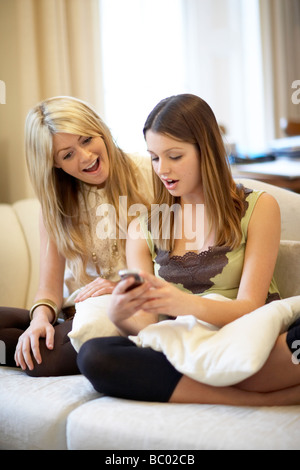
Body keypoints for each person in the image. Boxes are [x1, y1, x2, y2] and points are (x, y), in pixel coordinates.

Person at [77, 94, 300, 406]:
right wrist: (119, 313)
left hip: (254, 341)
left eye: (174, 156)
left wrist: (184, 303)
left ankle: (237, 382)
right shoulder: (143, 229)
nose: (163, 169)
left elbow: (250, 306)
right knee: (95, 356)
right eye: (154, 157)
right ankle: (252, 397)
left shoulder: (259, 207)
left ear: (205, 151)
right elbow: (146, 326)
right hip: (189, 350)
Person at [0, 96, 152, 377]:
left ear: (100, 129)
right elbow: (49, 290)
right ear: (54, 164)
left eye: (86, 139)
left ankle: (49, 344)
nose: (85, 157)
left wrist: (120, 285)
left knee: (44, 360)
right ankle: (48, 336)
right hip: (72, 313)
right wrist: (38, 321)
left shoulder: (150, 174)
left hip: (123, 308)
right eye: (67, 154)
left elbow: (179, 264)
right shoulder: (55, 206)